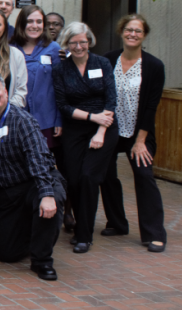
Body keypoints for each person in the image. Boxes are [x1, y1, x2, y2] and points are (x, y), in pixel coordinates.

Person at [0, 71, 63, 280]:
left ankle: (42, 261)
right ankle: (31, 232)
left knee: (50, 202)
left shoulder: (22, 120)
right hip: (7, 189)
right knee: (7, 254)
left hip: (36, 181)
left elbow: (38, 159)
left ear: (5, 92)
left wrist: (46, 194)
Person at [100, 14, 167, 252]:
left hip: (139, 132)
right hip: (111, 129)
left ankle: (154, 233)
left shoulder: (154, 66)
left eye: (138, 31)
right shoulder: (107, 60)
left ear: (144, 35)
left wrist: (140, 142)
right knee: (105, 174)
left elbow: (151, 106)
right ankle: (117, 223)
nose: (133, 34)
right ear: (121, 32)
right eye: (129, 29)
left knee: (144, 175)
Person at [53, 22, 118, 254]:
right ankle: (82, 223)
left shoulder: (102, 63)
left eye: (83, 41)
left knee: (90, 177)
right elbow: (63, 105)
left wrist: (101, 130)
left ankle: (84, 235)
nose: (79, 46)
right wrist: (93, 118)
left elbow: (111, 99)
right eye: (73, 42)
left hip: (105, 127)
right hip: (76, 127)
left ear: (89, 41)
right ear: (67, 44)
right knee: (74, 179)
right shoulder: (61, 69)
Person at [11, 5, 61, 147]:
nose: (35, 26)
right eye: (30, 21)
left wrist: (59, 119)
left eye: (39, 21)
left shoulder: (53, 48)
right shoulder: (10, 48)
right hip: (16, 116)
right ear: (21, 23)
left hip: (46, 118)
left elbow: (60, 86)